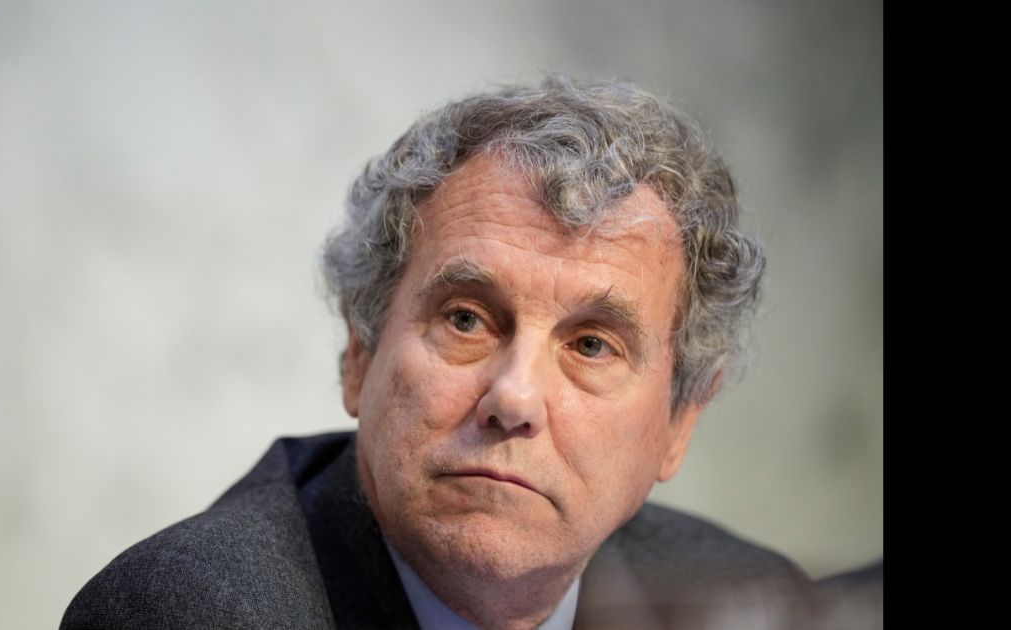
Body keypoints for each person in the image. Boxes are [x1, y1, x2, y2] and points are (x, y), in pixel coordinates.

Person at [61, 74, 811, 629]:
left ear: (679, 421)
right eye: (466, 320)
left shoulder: (744, 602)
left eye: (590, 344)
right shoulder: (191, 613)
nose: (514, 398)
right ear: (360, 351)